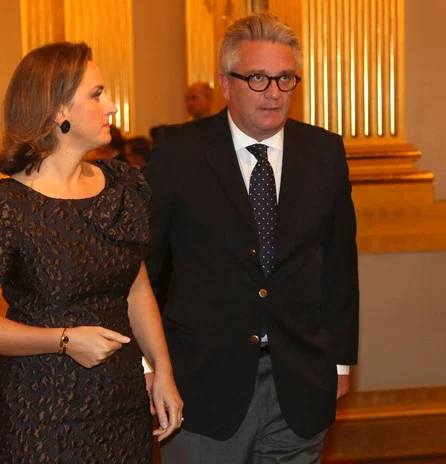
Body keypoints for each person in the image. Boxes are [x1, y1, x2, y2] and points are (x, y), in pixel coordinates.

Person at [0, 42, 182, 463]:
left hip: (122, 404)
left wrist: (162, 371)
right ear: (58, 111)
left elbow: (136, 291)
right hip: (40, 412)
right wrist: (63, 341)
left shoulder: (122, 189)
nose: (111, 106)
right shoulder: (9, 206)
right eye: (97, 94)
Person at [143, 13, 359, 463]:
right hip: (202, 385)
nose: (274, 92)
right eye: (258, 78)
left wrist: (339, 363)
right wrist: (150, 366)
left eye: (285, 79)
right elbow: (145, 268)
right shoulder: (178, 153)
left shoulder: (324, 152)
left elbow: (339, 266)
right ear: (225, 83)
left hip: (299, 385)